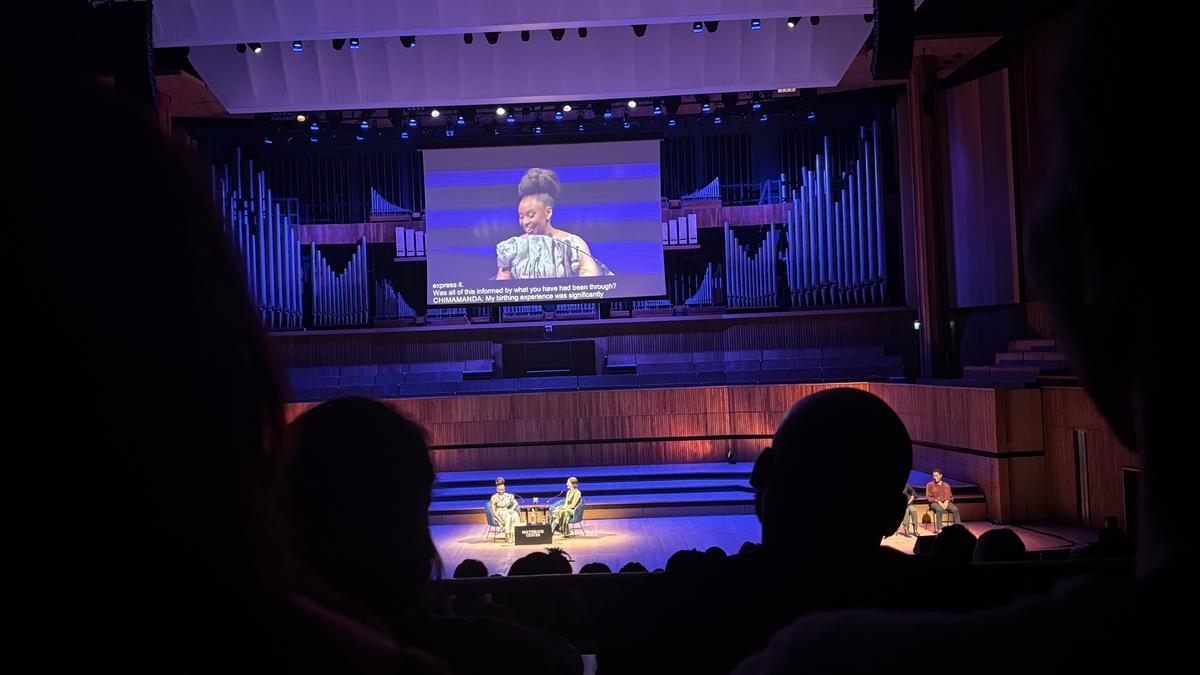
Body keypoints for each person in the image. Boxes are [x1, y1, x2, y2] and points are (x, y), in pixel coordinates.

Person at [494, 168, 603, 279]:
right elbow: (502, 288)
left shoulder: (572, 243)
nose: (525, 222)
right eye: (521, 217)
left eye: (531, 215)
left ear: (548, 212)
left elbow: (590, 277)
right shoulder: (512, 248)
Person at [490, 477, 521, 543]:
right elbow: (493, 511)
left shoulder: (508, 495)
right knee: (508, 516)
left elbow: (516, 503)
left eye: (503, 490)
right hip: (499, 512)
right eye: (500, 490)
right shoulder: (494, 497)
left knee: (514, 514)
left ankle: (513, 535)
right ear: (497, 490)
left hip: (506, 510)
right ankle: (507, 536)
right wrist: (501, 521)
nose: (502, 492)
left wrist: (512, 509)